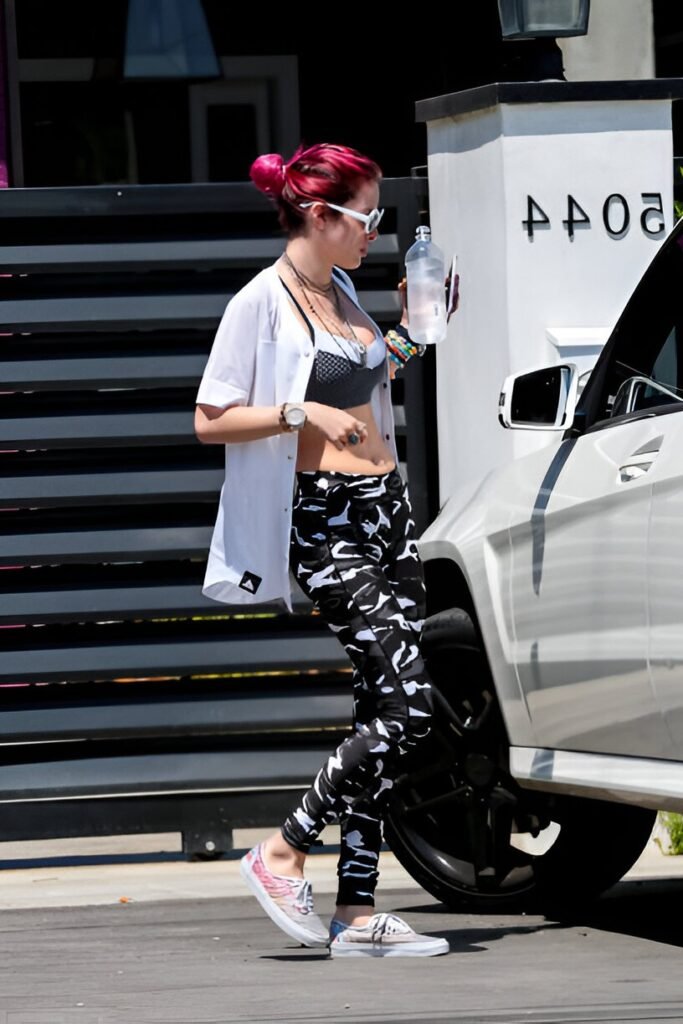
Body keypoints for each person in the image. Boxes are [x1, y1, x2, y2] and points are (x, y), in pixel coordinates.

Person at [195, 142, 450, 958]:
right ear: (318, 213)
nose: (374, 231)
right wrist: (296, 416)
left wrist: (417, 330)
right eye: (365, 216)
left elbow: (367, 384)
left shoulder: (340, 290)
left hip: (386, 513)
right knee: (410, 705)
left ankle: (355, 914)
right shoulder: (260, 302)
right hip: (325, 522)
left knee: (386, 712)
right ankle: (281, 849)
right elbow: (210, 416)